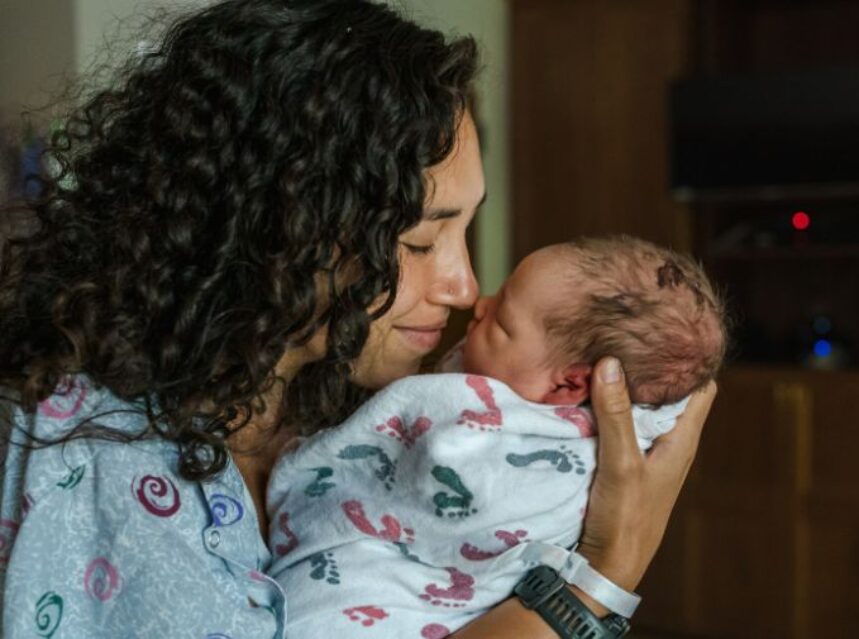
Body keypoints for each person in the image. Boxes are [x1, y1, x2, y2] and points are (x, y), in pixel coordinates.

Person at [0, 1, 716, 638]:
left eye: (464, 229)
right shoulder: (116, 465)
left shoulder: (344, 405)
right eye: (416, 241)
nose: (465, 286)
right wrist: (594, 585)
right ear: (282, 229)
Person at [266, 237, 726, 638]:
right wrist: (607, 577)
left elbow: (449, 471)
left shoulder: (542, 450)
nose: (477, 302)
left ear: (568, 385)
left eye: (503, 323)